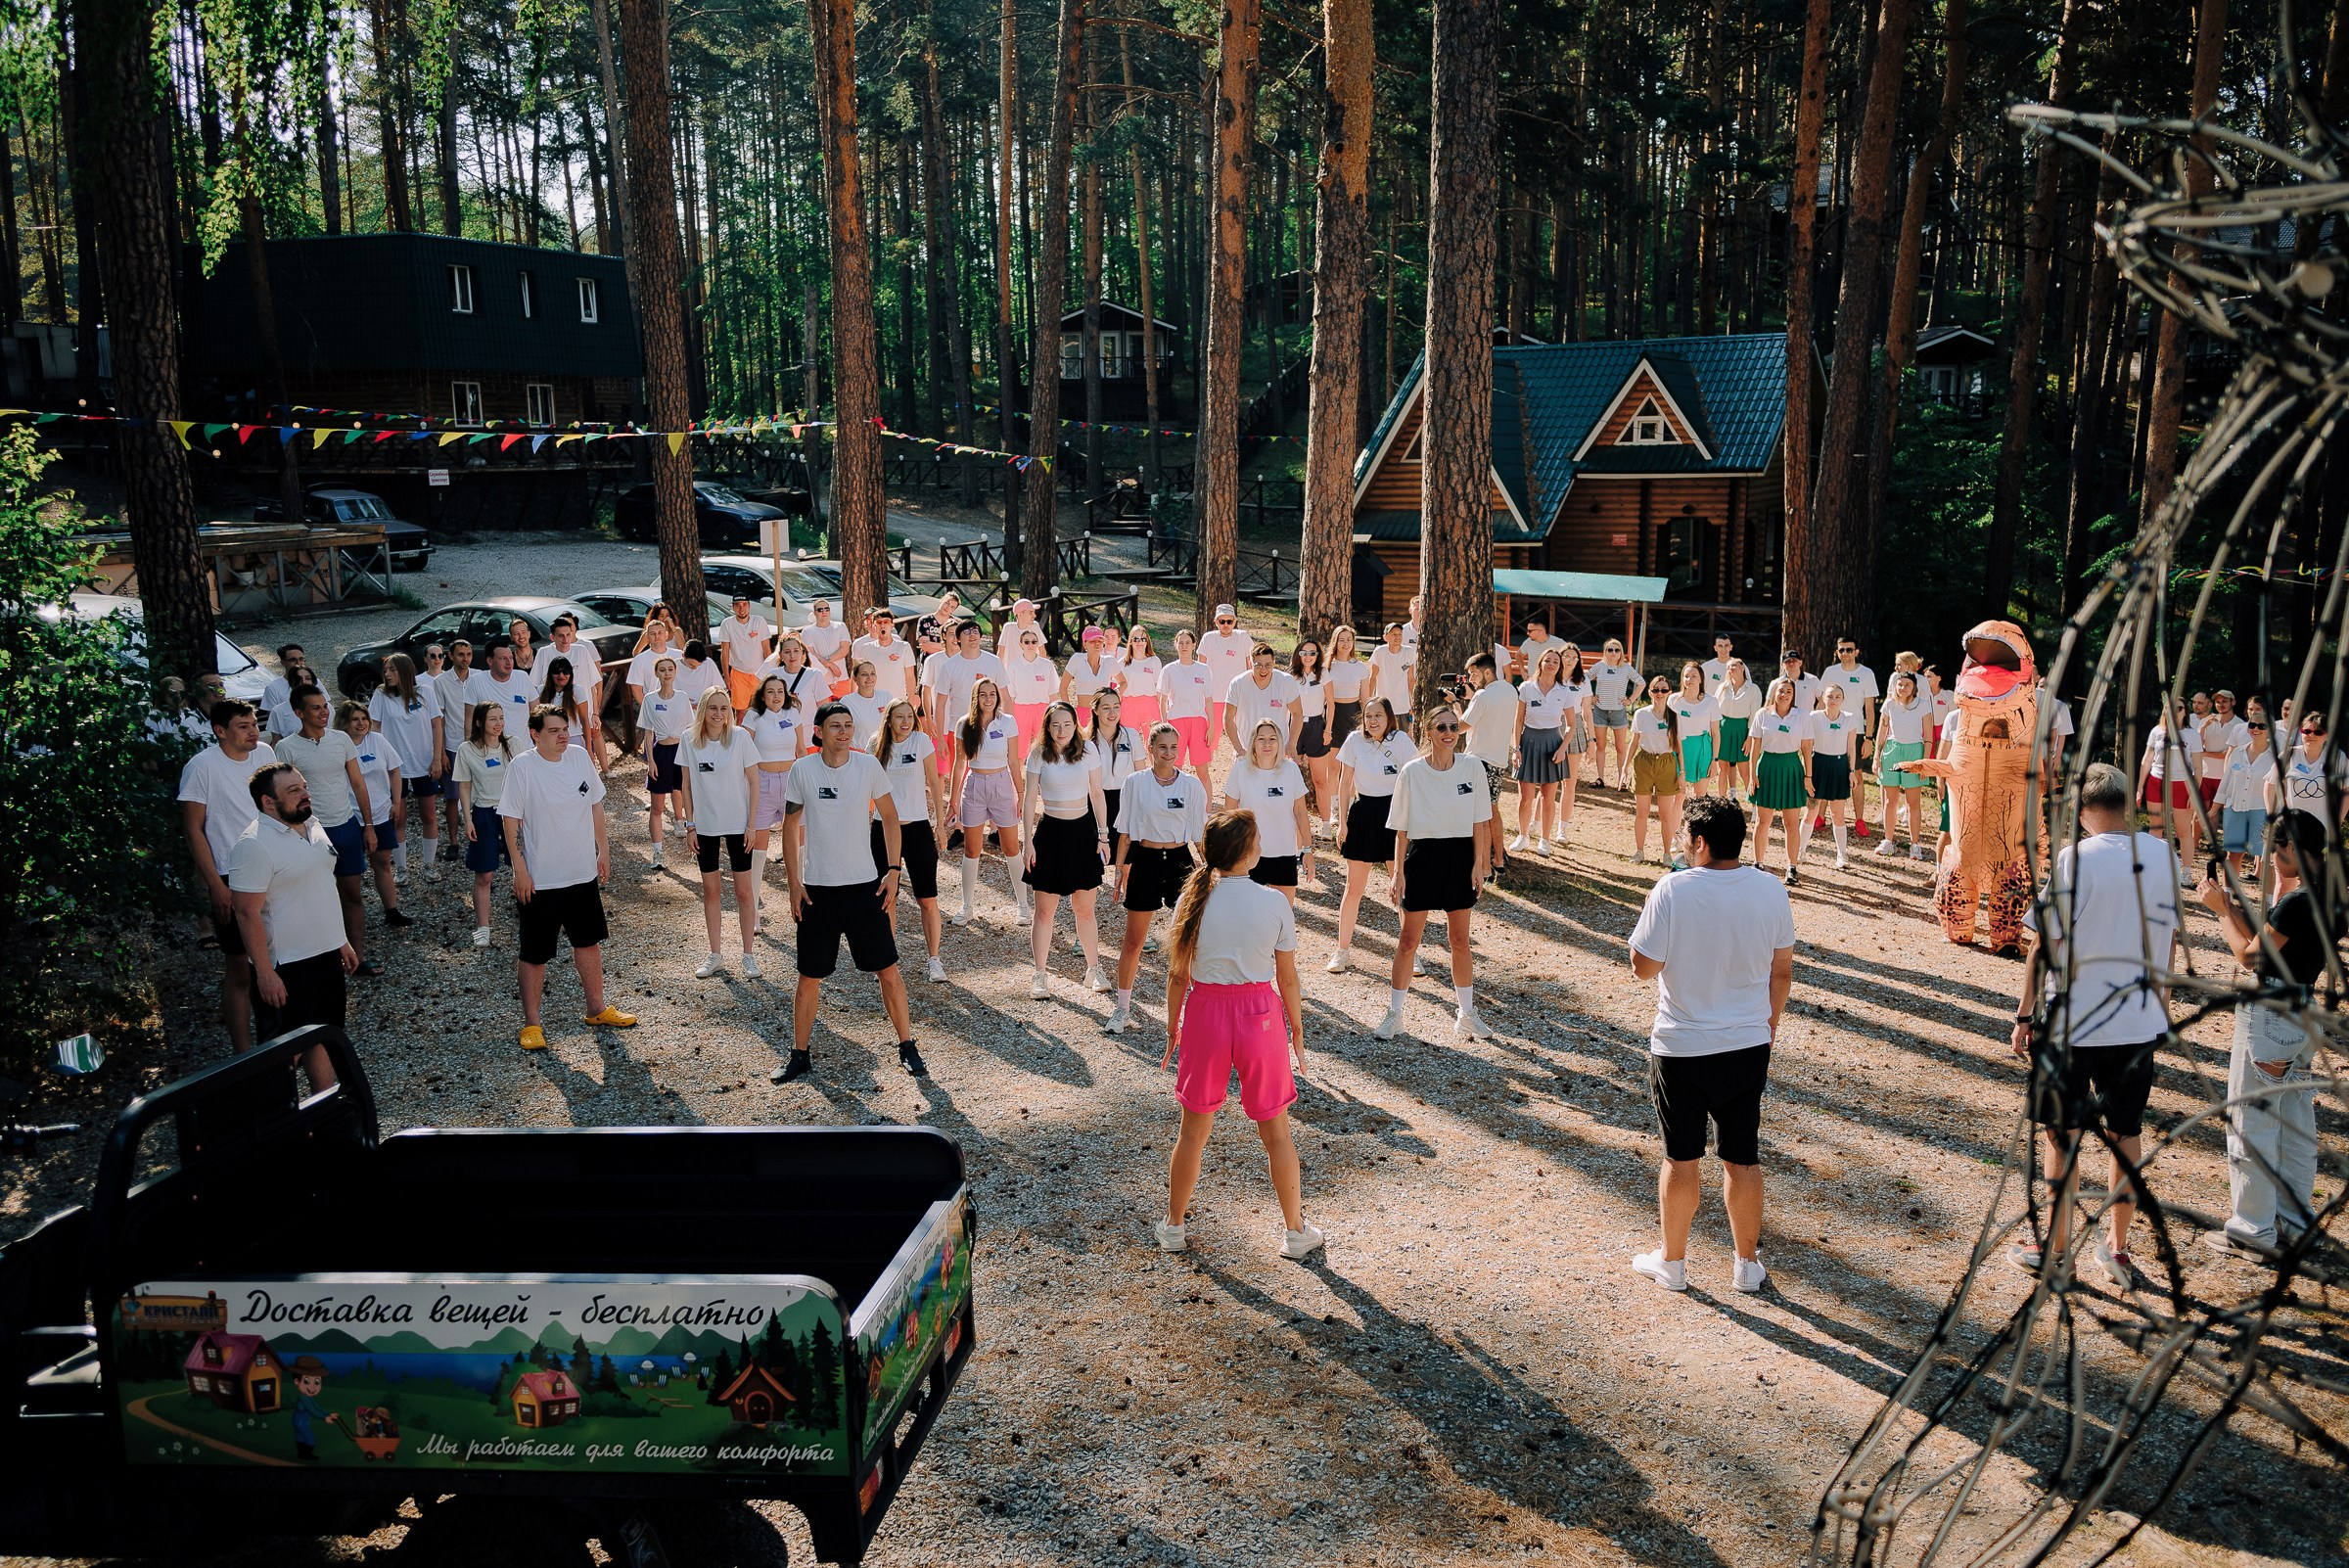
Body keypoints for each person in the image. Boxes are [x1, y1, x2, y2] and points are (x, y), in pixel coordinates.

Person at [2010, 762, 2180, 1289]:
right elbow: (2168, 937)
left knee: (2061, 1137)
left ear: (2081, 811)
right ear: (2127, 805)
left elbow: (2044, 941)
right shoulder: (2162, 855)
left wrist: (2024, 1013)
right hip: (2135, 1019)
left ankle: (2057, 1250)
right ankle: (2118, 1248)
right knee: (2125, 1135)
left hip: (2075, 1020)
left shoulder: (2073, 861)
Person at [1625, 794, 1794, 1294]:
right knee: (1743, 1156)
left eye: (1683, 836)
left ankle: (1673, 1264)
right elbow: (1780, 971)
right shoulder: (1771, 890)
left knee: (1681, 1158)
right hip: (1747, 1041)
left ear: (1699, 842)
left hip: (1682, 1044)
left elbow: (1643, 967)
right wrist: (1768, 1025)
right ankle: (1746, 1265)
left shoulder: (1672, 889)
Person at [1154, 808, 1320, 1260]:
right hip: (1258, 1016)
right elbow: (1287, 978)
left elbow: (1176, 976)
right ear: (1247, 851)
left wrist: (1173, 1030)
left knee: (1192, 1132)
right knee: (1278, 1133)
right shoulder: (1273, 902)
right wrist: (1297, 1033)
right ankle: (1295, 1231)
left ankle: (1173, 1227)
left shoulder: (1194, 901)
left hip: (1205, 1012)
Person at [2195, 810, 2333, 1257]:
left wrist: (2219, 914)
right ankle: (2295, 1222)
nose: (2271, 860)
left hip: (2270, 1014)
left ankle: (2252, 1228)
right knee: (2295, 1124)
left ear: (2291, 846)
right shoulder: (2328, 895)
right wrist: (2233, 908)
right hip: (2302, 1012)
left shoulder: (2296, 902)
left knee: (2251, 1122)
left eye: (2275, 851)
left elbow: (2250, 959)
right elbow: (2274, 945)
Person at [778, 702, 925, 1082]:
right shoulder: (802, 770)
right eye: (835, 726)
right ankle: (799, 1054)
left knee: (888, 971)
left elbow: (891, 818)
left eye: (848, 725)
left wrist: (893, 870)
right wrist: (793, 882)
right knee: (809, 976)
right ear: (819, 731)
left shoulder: (868, 766)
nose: (843, 732)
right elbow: (790, 827)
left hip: (865, 888)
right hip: (818, 891)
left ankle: (907, 1046)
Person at [499, 706, 638, 1050]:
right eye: (554, 730)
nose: (563, 736)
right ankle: (532, 1024)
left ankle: (596, 1008)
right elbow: (510, 822)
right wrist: (519, 868)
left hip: (581, 873)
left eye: (565, 729)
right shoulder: (522, 768)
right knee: (534, 953)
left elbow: (595, 805)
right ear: (535, 734)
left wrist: (603, 849)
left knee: (588, 942)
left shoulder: (578, 757)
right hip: (541, 878)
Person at [229, 762, 356, 1082]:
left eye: (303, 786)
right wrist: (265, 973)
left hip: (325, 956)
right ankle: (279, 1125)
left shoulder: (312, 823)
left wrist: (340, 940)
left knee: (324, 1039)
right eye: (293, 790)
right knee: (283, 1056)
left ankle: (325, 1116)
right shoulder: (253, 846)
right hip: (286, 967)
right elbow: (246, 912)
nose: (305, 794)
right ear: (267, 802)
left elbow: (321, 886)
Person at [1374, 703, 1493, 1039]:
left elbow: (1480, 821)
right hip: (1422, 857)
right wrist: (1398, 872)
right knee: (1408, 941)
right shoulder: (1412, 771)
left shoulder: (1472, 768)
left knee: (1460, 941)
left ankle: (1467, 1014)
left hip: (1459, 857)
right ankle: (1394, 1016)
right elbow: (1401, 830)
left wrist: (1479, 863)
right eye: (1441, 728)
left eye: (1454, 728)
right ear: (1428, 732)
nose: (1449, 734)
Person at [179, 700, 277, 1049]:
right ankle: (242, 1051)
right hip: (229, 875)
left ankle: (280, 1039)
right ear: (220, 731)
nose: (254, 731)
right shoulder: (202, 767)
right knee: (239, 969)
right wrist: (215, 887)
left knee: (275, 959)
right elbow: (193, 829)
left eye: (254, 723)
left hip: (273, 869)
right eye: (243, 726)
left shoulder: (266, 753)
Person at [1109, 722, 1212, 1033]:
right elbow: (1125, 832)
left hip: (1180, 863)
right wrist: (1118, 871)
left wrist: (1214, 872)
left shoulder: (1192, 786)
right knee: (1134, 941)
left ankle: (1197, 1010)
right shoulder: (1135, 782)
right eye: (1162, 747)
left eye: (1173, 748)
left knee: (1190, 940)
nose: (1169, 753)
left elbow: (1198, 835)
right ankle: (1122, 1009)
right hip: (1146, 861)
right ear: (1150, 749)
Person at [277, 686, 379, 977]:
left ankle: (356, 957)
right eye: (315, 707)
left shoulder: (342, 739)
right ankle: (321, 960)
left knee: (352, 894)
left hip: (345, 825)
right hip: (309, 831)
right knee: (316, 898)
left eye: (325, 706)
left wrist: (368, 826)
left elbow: (358, 784)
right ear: (299, 713)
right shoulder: (286, 748)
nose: (323, 712)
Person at [1020, 700, 1113, 997]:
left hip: (1083, 833)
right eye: (1055, 724)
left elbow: (1097, 794)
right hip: (1051, 834)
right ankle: (1039, 976)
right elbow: (1029, 799)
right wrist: (1028, 841)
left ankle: (1093, 970)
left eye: (1068, 724)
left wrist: (1103, 835)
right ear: (1047, 727)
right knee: (1044, 912)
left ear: (1076, 725)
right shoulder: (1038, 754)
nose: (1062, 730)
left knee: (1084, 909)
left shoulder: (1088, 751)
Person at [677, 687, 763, 978]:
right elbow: (686, 786)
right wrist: (690, 825)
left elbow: (754, 783)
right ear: (703, 710)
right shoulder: (689, 740)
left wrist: (751, 825)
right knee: (711, 891)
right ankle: (715, 954)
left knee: (743, 891)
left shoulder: (739, 738)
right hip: (706, 827)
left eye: (724, 708)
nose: (718, 714)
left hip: (739, 825)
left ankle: (749, 956)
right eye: (712, 708)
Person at [1328, 698, 1416, 972]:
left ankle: (1411, 952)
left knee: (1401, 888)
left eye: (1379, 715)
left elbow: (1415, 778)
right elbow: (1344, 784)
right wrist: (1342, 823)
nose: (1373, 720)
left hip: (1394, 815)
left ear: (1389, 717)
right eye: (1368, 716)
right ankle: (1342, 951)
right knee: (1353, 889)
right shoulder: (1354, 740)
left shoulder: (1401, 740)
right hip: (1363, 814)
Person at [874, 699, 947, 983]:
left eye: (909, 716)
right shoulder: (875, 744)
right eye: (899, 717)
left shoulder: (922, 742)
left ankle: (934, 959)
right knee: (885, 899)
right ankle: (888, 959)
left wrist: (939, 824)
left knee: (927, 898)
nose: (905, 721)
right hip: (882, 829)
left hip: (917, 828)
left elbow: (935, 782)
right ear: (889, 720)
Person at [949, 678, 1028, 925]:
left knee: (1011, 848)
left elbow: (1014, 761)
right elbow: (960, 763)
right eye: (982, 694)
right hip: (974, 787)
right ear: (975, 698)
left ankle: (1023, 906)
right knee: (972, 849)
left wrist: (1021, 793)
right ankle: (967, 906)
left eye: (992, 694)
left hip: (1002, 784)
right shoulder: (964, 724)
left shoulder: (1008, 722)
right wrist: (953, 800)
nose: (988, 699)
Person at [366, 654, 442, 878]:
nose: (387, 674)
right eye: (386, 670)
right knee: (397, 817)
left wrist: (437, 758)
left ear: (405, 671)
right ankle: (401, 868)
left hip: (424, 764)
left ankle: (428, 865)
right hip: (394, 768)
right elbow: (375, 728)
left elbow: (437, 725)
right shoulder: (381, 694)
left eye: (392, 670)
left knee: (428, 815)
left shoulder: (425, 692)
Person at [1223, 718, 1314, 901]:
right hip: (1249, 854)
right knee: (1250, 916)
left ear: (1280, 742)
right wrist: (1229, 855)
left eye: (1272, 739)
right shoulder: (1240, 769)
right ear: (1253, 743)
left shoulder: (1290, 769)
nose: (1267, 744)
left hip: (1284, 853)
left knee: (1283, 917)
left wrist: (1307, 850)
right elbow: (1228, 815)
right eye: (1261, 739)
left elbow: (1300, 813)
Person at [338, 702, 410, 929]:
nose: (361, 723)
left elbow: (395, 770)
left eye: (364, 718)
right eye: (355, 719)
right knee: (350, 871)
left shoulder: (378, 741)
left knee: (383, 863)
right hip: (349, 815)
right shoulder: (337, 745)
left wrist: (396, 802)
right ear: (344, 722)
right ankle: (348, 914)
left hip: (380, 812)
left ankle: (391, 910)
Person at [453, 699, 518, 946]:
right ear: (479, 722)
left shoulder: (514, 744)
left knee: (523, 868)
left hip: (512, 813)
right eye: (493, 719)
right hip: (484, 813)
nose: (499, 723)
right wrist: (467, 819)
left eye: (501, 718)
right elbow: (465, 785)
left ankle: (530, 918)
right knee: (485, 875)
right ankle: (483, 928)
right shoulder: (466, 750)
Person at [742, 673, 803, 920]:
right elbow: (744, 751)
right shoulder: (753, 717)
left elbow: (800, 750)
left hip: (792, 782)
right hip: (763, 784)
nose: (776, 696)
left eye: (780, 691)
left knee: (801, 847)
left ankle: (804, 904)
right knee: (759, 852)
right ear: (762, 695)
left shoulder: (793, 714)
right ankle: (753, 910)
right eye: (771, 692)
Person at [926, 619, 1008, 782]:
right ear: (957, 639)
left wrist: (1008, 729)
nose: (972, 635)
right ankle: (956, 806)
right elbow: (940, 704)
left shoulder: (994, 662)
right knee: (960, 778)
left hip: (990, 727)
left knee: (990, 775)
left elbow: (1006, 698)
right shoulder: (949, 666)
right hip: (958, 728)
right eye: (967, 632)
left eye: (976, 631)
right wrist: (941, 739)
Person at [1748, 678, 1814, 883]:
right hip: (1767, 766)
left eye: (1788, 691)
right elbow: (1754, 748)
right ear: (1774, 692)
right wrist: (1752, 776)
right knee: (1763, 820)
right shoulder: (1762, 715)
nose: (1784, 695)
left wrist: (1808, 776)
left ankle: (1792, 868)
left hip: (1792, 767)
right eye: (1780, 691)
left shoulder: (1802, 716)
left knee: (1791, 822)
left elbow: (1806, 749)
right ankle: (1758, 863)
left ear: (1793, 695)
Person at [1512, 647, 1576, 852]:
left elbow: (1572, 725)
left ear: (1559, 667)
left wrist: (1562, 748)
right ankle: (1523, 837)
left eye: (1555, 662)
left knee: (1548, 798)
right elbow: (1518, 720)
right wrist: (1516, 748)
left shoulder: (1564, 691)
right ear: (1540, 663)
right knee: (1525, 798)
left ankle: (1545, 840)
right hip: (1528, 741)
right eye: (1547, 660)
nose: (1551, 664)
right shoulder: (1526, 687)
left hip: (1552, 744)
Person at [1459, 653, 1519, 871]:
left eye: (1473, 674)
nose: (1471, 679)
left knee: (1480, 815)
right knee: (1493, 809)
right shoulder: (1510, 691)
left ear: (1487, 672)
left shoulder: (1482, 697)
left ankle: (1483, 866)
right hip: (1498, 760)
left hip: (1479, 760)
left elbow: (1463, 726)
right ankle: (1498, 861)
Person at [2139, 695, 2202, 883]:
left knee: (2183, 831)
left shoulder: (2192, 735)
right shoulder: (2156, 731)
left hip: (2182, 785)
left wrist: (2194, 794)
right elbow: (2147, 760)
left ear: (2185, 712)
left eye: (2180, 708)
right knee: (2156, 828)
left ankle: (2186, 872)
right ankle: (2151, 867)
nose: (2175, 712)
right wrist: (2140, 787)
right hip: (2157, 782)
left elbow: (2198, 767)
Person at [636, 656, 693, 866]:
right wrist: (650, 760)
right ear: (656, 673)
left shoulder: (682, 697)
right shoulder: (650, 699)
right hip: (661, 752)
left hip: (681, 752)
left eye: (670, 669)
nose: (667, 673)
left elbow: (691, 728)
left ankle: (694, 845)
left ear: (675, 672)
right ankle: (657, 853)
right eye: (662, 670)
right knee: (657, 807)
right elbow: (648, 732)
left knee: (688, 801)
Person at [1873, 671, 1933, 856]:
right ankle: (1888, 840)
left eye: (1907, 684)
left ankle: (1915, 844)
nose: (1903, 688)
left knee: (1912, 802)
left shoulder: (1923, 705)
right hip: (1892, 751)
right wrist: (1877, 756)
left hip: (1914, 752)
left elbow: (1929, 737)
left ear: (1914, 687)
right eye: (1900, 684)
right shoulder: (1889, 704)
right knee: (1890, 801)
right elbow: (1882, 731)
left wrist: (1924, 762)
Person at [1803, 683, 1862, 869]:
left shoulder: (1849, 719)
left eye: (1837, 696)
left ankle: (1842, 855)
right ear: (1823, 699)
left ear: (1842, 699)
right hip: (1817, 765)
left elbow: (1851, 747)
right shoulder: (1814, 717)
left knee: (1838, 814)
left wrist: (1851, 772)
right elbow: (1806, 746)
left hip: (1839, 767)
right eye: (1830, 696)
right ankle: (1800, 851)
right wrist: (1808, 774)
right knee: (1811, 812)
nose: (1833, 700)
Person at [1628, 674, 1684, 865]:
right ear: (1650, 692)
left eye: (1663, 690)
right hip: (1644, 762)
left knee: (1665, 814)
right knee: (1641, 812)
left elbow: (1678, 746)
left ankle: (1667, 853)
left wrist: (1682, 772)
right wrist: (1624, 767)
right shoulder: (1641, 714)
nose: (1659, 694)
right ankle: (1639, 851)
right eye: (1655, 690)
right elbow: (1634, 742)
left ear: (1669, 692)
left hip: (1667, 763)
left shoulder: (1674, 716)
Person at [2216, 715, 2278, 884]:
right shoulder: (2238, 751)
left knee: (2266, 858)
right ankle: (2229, 892)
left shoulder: (2277, 756)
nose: (2256, 729)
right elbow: (2226, 780)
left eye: (2261, 726)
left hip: (2262, 810)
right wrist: (2214, 808)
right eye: (2252, 724)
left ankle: (2270, 901)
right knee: (2233, 853)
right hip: (2234, 808)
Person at [545, 617, 607, 774]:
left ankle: (604, 771)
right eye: (561, 635)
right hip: (552, 731)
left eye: (568, 634)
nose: (566, 639)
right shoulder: (545, 653)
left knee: (581, 775)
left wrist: (595, 712)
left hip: (577, 726)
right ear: (552, 637)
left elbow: (594, 683)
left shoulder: (582, 651)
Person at [1159, 628, 1219, 790]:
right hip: (1175, 722)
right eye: (1180, 643)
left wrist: (1211, 726)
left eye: (1187, 643)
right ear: (1176, 645)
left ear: (1194, 645)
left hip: (1198, 722)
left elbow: (1208, 699)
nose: (1184, 646)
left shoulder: (1203, 670)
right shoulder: (1168, 670)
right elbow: (1162, 699)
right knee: (1174, 769)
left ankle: (1206, 811)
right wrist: (1165, 725)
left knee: (1202, 771)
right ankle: (1174, 805)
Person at [1223, 642, 1303, 762]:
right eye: (1258, 665)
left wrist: (1291, 744)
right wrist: (1238, 749)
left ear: (1274, 663)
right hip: (1247, 751)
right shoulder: (1238, 683)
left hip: (1278, 751)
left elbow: (1297, 713)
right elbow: (1228, 717)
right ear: (1250, 664)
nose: (1263, 669)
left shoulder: (1286, 681)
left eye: (1268, 665)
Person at [433, 640, 476, 847]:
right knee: (452, 796)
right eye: (460, 654)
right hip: (453, 745)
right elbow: (439, 719)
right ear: (451, 656)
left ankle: (481, 837)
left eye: (468, 654)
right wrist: (441, 754)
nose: (465, 658)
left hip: (478, 744)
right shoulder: (441, 682)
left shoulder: (479, 676)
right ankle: (453, 841)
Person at [1586, 638, 1637, 788]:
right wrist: (1590, 698)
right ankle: (1600, 778)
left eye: (1617, 650)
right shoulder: (1599, 666)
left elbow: (1641, 682)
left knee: (1620, 747)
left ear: (1621, 653)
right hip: (1600, 711)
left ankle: (1622, 780)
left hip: (1618, 712)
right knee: (1600, 746)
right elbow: (1584, 680)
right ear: (1605, 652)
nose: (1613, 653)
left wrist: (1631, 699)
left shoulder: (1626, 668)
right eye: (1610, 650)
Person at [1292, 638, 1333, 821]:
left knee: (1320, 780)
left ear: (1318, 655)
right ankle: (1293, 822)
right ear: (1298, 654)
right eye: (1304, 653)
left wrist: (1328, 730)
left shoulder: (1323, 673)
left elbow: (1331, 705)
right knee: (1292, 780)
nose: (1308, 657)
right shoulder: (1291, 676)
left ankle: (1325, 824)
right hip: (1295, 726)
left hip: (1317, 727)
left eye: (1312, 653)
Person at [1003, 625, 1060, 756]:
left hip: (1042, 709)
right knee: (1020, 751)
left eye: (1034, 642)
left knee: (1044, 748)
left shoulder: (1047, 665)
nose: (1030, 645)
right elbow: (1010, 697)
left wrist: (1056, 714)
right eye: (1026, 642)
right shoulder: (1013, 666)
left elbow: (1053, 694)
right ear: (1020, 644)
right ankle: (1017, 776)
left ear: (1037, 643)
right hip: (1021, 709)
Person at [1199, 604, 1252, 745]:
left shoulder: (1243, 637)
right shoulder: (1208, 638)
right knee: (1210, 738)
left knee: (1244, 736)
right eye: (1222, 621)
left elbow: (1251, 665)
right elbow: (1200, 668)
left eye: (1229, 621)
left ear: (1235, 621)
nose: (1226, 625)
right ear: (1216, 622)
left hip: (1239, 697)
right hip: (1214, 697)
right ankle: (1207, 765)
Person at [1668, 661, 1720, 805]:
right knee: (1678, 795)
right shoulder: (1673, 700)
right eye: (1686, 676)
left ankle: (1694, 827)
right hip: (1679, 748)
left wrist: (1714, 760)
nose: (1689, 679)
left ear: (1701, 679)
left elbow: (1715, 734)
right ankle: (1674, 827)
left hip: (1702, 749)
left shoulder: (1711, 701)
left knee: (1700, 796)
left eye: (1694, 676)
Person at [466, 638, 535, 742]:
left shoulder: (523, 677)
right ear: (490, 661)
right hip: (491, 751)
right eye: (503, 658)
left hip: (522, 749)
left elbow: (536, 713)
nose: (509, 662)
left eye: (511, 658)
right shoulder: (476, 681)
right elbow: (469, 722)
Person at [1714, 657, 1763, 802]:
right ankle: (1722, 802)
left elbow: (1754, 715)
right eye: (1728, 667)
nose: (1731, 669)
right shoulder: (1722, 688)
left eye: (1734, 666)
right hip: (1723, 730)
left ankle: (1754, 803)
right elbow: (1714, 709)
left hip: (1742, 730)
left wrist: (1749, 738)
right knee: (1723, 769)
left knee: (1745, 771)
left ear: (1743, 668)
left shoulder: (1753, 689)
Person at [714, 594, 773, 715]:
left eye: (744, 605)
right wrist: (727, 677)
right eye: (738, 605)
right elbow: (724, 652)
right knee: (740, 713)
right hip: (738, 673)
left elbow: (767, 650)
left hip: (760, 673)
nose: (741, 608)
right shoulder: (727, 624)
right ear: (733, 607)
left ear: (749, 606)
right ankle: (740, 733)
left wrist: (771, 674)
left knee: (764, 709)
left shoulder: (759, 621)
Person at [852, 606, 919, 704]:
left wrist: (911, 700)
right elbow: (859, 677)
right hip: (873, 702)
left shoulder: (904, 647)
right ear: (874, 627)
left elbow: (910, 677)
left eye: (886, 622)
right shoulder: (866, 648)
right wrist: (858, 700)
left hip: (898, 701)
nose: (883, 626)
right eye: (879, 623)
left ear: (892, 626)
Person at [1366, 622, 1418, 735]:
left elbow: (1411, 679)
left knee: (1402, 738)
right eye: (1394, 634)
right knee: (1383, 737)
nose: (1397, 637)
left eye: (1400, 634)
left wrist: (1413, 702)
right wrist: (1369, 700)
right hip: (1384, 706)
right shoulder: (1379, 652)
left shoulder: (1409, 652)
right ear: (1386, 637)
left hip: (1403, 706)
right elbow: (1373, 677)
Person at [1324, 623, 1367, 754]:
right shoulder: (1326, 667)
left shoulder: (1360, 667)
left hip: (1354, 714)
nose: (1345, 643)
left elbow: (1365, 699)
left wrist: (1366, 722)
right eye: (1341, 640)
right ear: (1335, 642)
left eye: (1349, 639)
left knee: (1353, 761)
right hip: (1333, 715)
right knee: (1333, 764)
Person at [801, 597, 853, 695]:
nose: (824, 612)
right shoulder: (807, 631)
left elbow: (844, 649)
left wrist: (827, 661)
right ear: (815, 612)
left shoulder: (840, 626)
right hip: (820, 681)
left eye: (827, 609)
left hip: (841, 678)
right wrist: (829, 665)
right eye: (820, 610)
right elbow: (811, 654)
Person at [1061, 624, 1122, 708]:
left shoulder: (1110, 661)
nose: (1097, 643)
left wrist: (1115, 693)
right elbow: (1063, 687)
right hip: (1082, 713)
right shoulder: (1077, 659)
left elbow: (1123, 682)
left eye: (1100, 640)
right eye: (1092, 641)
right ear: (1085, 644)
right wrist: (1069, 710)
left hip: (1103, 714)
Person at [261, 643, 312, 740]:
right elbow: (274, 724)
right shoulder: (273, 688)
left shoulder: (314, 682)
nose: (298, 663)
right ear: (283, 662)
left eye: (301, 659)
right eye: (293, 660)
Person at [535, 657, 588, 750]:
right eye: (557, 672)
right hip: (550, 740)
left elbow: (585, 720)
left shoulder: (577, 690)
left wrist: (589, 749)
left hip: (574, 739)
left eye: (565, 672)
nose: (561, 675)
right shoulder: (541, 690)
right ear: (550, 674)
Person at [839, 659, 894, 744]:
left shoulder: (886, 696)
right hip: (859, 754)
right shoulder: (847, 702)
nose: (870, 678)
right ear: (855, 679)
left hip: (883, 752)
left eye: (873, 674)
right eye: (864, 674)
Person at [1121, 625, 1164, 729]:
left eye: (1143, 639)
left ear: (1147, 641)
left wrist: (1163, 709)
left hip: (1150, 703)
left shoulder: (1154, 661)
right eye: (1136, 639)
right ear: (1130, 641)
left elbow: (1158, 687)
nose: (1139, 642)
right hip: (1129, 703)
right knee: (1127, 737)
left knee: (1153, 737)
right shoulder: (1122, 663)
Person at [1775, 649, 1821, 713]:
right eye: (1788, 661)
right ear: (1783, 665)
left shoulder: (1812, 680)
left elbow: (1823, 699)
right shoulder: (1777, 683)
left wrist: (1815, 716)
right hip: (1784, 720)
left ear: (1800, 663)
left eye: (1794, 660)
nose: (1791, 663)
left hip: (1806, 721)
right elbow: (1769, 703)